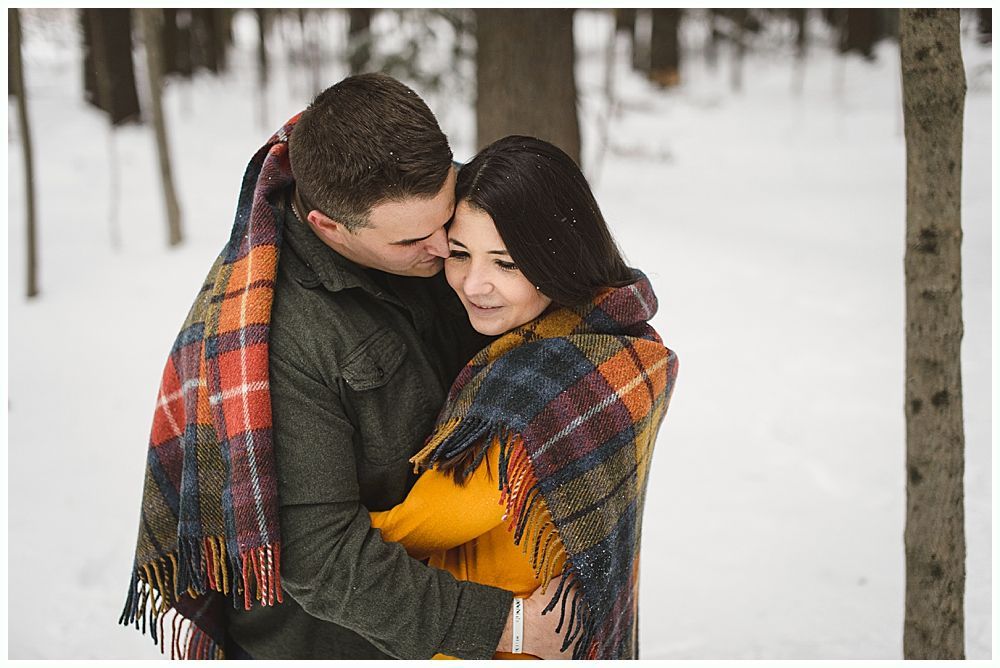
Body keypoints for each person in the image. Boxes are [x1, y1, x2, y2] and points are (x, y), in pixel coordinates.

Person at [121, 74, 567, 660]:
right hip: (335, 639)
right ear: (329, 227)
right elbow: (321, 557)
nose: (444, 250)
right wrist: (506, 625)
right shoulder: (279, 338)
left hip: (468, 567)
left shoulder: (425, 213)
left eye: (446, 220)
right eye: (413, 241)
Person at [369, 136, 680, 659]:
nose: (474, 284)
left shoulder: (542, 393)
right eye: (461, 254)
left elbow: (417, 526)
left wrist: (308, 532)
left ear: (557, 259)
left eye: (506, 263)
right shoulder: (618, 341)